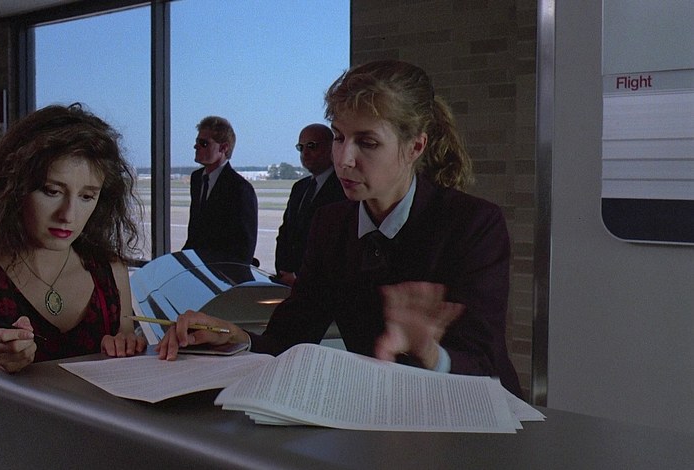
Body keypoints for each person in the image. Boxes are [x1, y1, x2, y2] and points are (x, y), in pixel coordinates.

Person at [158, 60, 522, 398]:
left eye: (367, 142)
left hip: (477, 419)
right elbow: (290, 337)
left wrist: (428, 352)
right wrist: (236, 338)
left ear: (415, 146)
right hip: (386, 417)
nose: (344, 160)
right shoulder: (332, 225)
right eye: (338, 137)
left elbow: (485, 366)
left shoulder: (472, 225)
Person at [0, 103, 147, 470]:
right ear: (13, 187)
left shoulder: (110, 270)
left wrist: (131, 351)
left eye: (87, 196)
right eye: (51, 191)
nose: (68, 215)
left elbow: (122, 384)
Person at [274, 124, 346, 286]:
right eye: (301, 147)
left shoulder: (343, 188)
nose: (304, 153)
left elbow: (337, 244)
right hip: (288, 282)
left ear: (331, 148)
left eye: (312, 146)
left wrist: (300, 277)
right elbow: (285, 234)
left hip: (322, 285)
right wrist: (283, 272)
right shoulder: (299, 187)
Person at [183, 116, 258, 264]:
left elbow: (245, 248)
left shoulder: (240, 189)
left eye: (204, 143)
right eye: (197, 141)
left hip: (222, 270)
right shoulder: (197, 179)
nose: (196, 146)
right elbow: (195, 232)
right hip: (198, 266)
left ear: (224, 148)